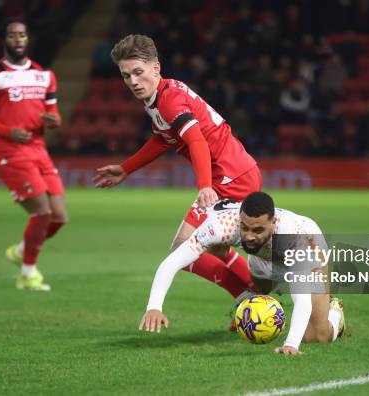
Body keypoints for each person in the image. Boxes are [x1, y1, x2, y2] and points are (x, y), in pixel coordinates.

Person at [93, 34, 261, 300]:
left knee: (181, 249)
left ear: (156, 67)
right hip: (238, 171)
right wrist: (126, 169)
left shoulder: (169, 100)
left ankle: (248, 297)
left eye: (138, 72)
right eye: (126, 76)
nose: (133, 82)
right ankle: (255, 292)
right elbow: (163, 139)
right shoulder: (160, 96)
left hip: (229, 178)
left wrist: (205, 185)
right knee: (215, 248)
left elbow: (197, 141)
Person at [138, 192, 345, 355]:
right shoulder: (223, 225)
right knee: (259, 293)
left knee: (316, 336)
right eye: (245, 228)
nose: (248, 236)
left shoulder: (295, 236)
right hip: (261, 258)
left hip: (310, 251)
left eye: (257, 230)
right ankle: (250, 311)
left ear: (273, 224)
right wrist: (154, 307)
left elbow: (301, 299)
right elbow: (173, 260)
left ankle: (335, 312)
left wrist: (291, 344)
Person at [0, 18, 68, 291]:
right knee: (42, 211)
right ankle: (27, 273)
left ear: (28, 39)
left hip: (39, 150)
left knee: (59, 216)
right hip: (11, 153)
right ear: (4, 40)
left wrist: (53, 121)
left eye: (22, 35)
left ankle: (20, 251)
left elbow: (54, 114)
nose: (18, 39)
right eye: (12, 35)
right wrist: (9, 131)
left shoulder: (44, 75)